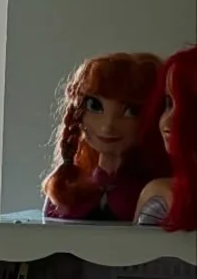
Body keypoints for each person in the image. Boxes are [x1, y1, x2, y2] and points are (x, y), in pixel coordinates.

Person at [42, 51, 166, 220]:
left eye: (131, 111)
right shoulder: (67, 189)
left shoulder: (155, 194)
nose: (108, 125)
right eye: (94, 106)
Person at [134, 45, 197, 229]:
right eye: (168, 103)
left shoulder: (160, 194)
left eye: (190, 108)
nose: (168, 120)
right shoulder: (159, 192)